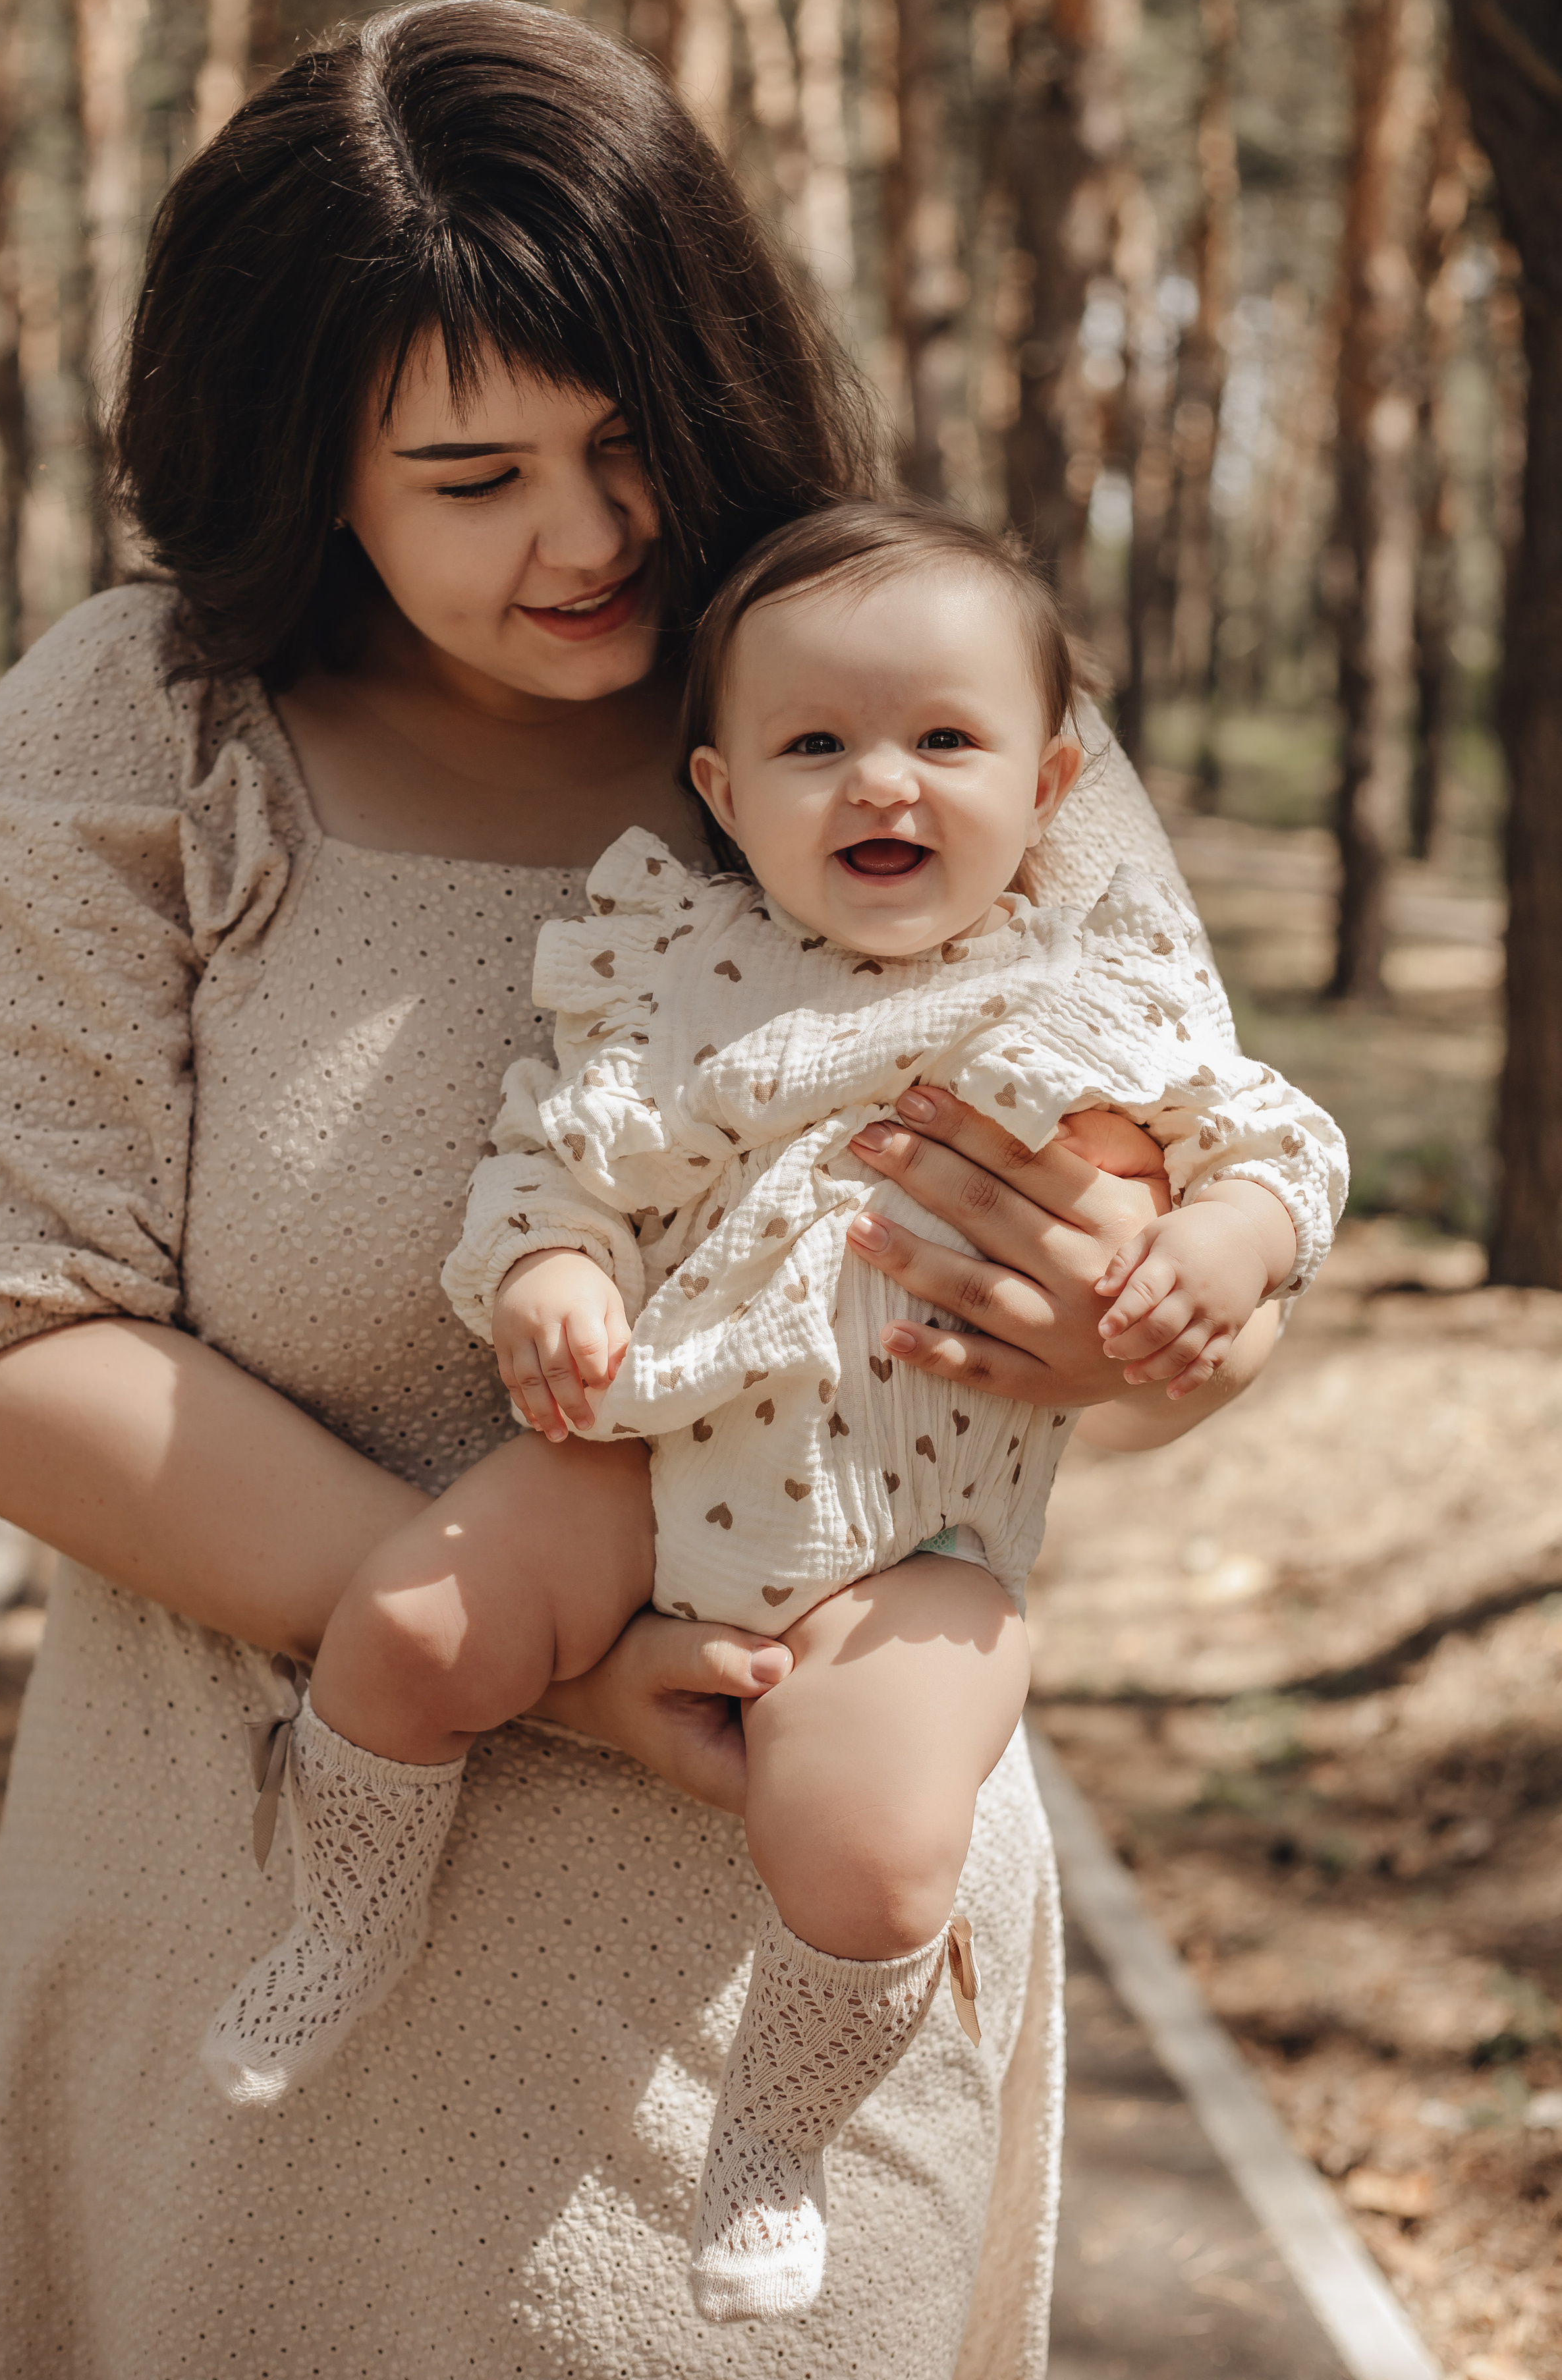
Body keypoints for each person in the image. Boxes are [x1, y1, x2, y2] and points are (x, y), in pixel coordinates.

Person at [0, 0, 1286, 2380]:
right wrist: (508, 1652)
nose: (592, 534)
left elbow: (1193, 1211)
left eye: (632, 437)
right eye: (472, 473)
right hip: (247, 1981)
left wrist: (1157, 1325)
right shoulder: (146, 732)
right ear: (306, 464)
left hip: (797, 1999)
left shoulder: (918, 691)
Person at [197, 500, 1345, 2322]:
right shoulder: (678, 975)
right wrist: (554, 1278)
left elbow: (1280, 1135)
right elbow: (552, 1167)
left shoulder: (1094, 984)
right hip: (662, 1449)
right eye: (818, 747)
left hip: (927, 1529)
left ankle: (779, 2132)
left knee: (880, 1844)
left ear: (1050, 787)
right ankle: (339, 1914)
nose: (881, 783)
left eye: (942, 742)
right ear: (725, 794)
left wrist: (1235, 1236)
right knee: (410, 1623)